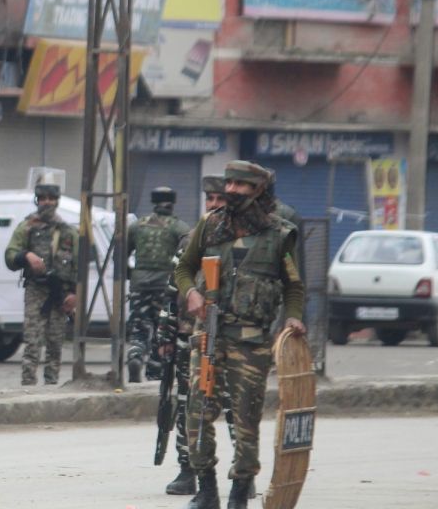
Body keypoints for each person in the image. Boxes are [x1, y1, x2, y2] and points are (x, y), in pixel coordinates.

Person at [174, 161, 305, 509]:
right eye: (229, 183)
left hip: (250, 341)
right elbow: (184, 268)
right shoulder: (210, 226)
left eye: (240, 185)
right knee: (198, 413)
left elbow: (294, 286)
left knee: (246, 417)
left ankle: (239, 491)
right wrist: (191, 292)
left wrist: (293, 317)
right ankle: (206, 491)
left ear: (258, 190)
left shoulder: (280, 234)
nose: (231, 190)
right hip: (207, 336)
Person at [155, 175, 227, 496]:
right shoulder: (190, 240)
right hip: (190, 337)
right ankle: (188, 468)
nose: (213, 205)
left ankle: (243, 473)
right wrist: (166, 335)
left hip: (230, 337)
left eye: (219, 199)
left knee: (235, 407)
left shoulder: (242, 241)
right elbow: (172, 291)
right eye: (209, 199)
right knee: (188, 403)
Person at [5, 172, 79, 386]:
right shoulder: (27, 227)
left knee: (55, 345)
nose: (47, 202)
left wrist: (74, 295)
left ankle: (51, 388)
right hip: (36, 292)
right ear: (37, 200)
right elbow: (10, 256)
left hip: (61, 296)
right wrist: (25, 256)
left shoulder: (68, 231)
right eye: (43, 198)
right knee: (32, 344)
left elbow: (79, 266)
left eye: (51, 198)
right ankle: (28, 389)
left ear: (57, 201)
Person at [126, 186, 190, 382]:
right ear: (172, 203)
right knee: (162, 329)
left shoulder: (137, 226)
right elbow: (185, 259)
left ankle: (135, 355)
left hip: (139, 285)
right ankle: (154, 372)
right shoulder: (180, 228)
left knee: (140, 326)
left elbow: (121, 255)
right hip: (165, 288)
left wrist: (133, 275)